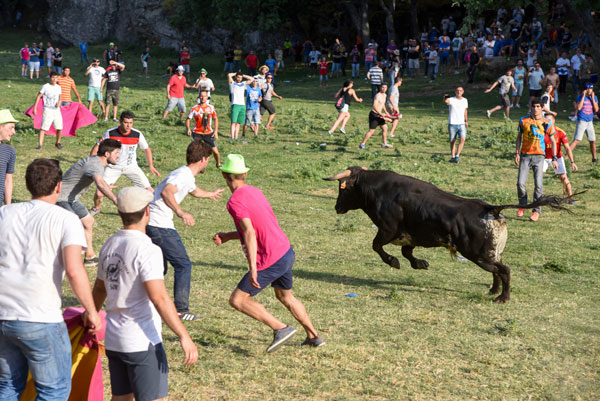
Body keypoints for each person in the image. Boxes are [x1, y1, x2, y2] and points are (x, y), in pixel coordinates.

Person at [0, 158, 102, 401]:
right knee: (53, 391)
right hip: (40, 317)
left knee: (7, 388)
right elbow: (75, 270)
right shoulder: (66, 219)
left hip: (3, 315)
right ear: (59, 186)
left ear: (28, 185)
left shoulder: (4, 213)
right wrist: (91, 310)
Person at [90, 186, 198, 401]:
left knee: (121, 398)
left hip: (114, 340)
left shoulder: (109, 244)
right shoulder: (148, 249)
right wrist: (184, 335)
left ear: (120, 213)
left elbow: (100, 288)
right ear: (147, 211)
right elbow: (158, 297)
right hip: (142, 341)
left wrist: (90, 315)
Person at [213, 154, 324, 352]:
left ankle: (281, 328)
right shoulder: (255, 191)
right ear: (245, 174)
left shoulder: (234, 202)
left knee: (238, 300)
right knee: (285, 296)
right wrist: (229, 236)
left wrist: (254, 268)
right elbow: (259, 226)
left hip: (269, 258)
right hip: (285, 251)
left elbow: (250, 231)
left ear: (224, 175)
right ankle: (314, 336)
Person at [146, 141, 224, 321]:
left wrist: (210, 194)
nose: (207, 164)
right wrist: (181, 212)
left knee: (159, 268)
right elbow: (167, 192)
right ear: (203, 159)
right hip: (160, 225)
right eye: (208, 160)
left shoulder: (185, 175)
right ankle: (181, 310)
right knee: (183, 264)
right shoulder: (183, 175)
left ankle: (143, 302)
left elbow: (194, 191)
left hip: (152, 223)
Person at [57, 139, 121, 263]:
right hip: (60, 198)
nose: (118, 156)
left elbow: (101, 182)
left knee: (88, 221)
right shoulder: (95, 164)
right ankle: (66, 259)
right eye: (116, 153)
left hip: (71, 199)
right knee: (72, 226)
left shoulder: (96, 163)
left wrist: (106, 186)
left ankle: (89, 256)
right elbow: (100, 184)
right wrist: (115, 199)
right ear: (107, 154)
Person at [90, 110, 160, 215]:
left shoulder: (137, 134)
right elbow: (96, 148)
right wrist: (93, 164)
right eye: (126, 122)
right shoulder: (110, 133)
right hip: (113, 167)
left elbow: (147, 149)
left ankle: (154, 213)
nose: (128, 125)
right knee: (99, 193)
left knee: (150, 191)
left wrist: (151, 165)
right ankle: (96, 208)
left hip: (131, 167)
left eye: (131, 123)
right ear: (120, 122)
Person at [515, 100, 558, 222]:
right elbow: (519, 138)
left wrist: (554, 158)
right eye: (533, 106)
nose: (535, 108)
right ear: (530, 106)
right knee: (520, 183)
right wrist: (517, 153)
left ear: (542, 108)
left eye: (538, 106)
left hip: (539, 156)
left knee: (538, 185)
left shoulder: (547, 122)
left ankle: (536, 210)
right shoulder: (523, 120)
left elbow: (553, 140)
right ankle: (522, 205)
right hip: (525, 155)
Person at [543, 115, 578, 201]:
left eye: (550, 120)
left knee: (564, 178)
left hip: (557, 158)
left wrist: (572, 162)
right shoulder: (540, 131)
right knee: (538, 176)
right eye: (546, 120)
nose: (548, 122)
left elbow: (567, 148)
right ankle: (538, 198)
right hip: (543, 158)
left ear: (554, 121)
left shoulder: (560, 132)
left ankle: (570, 197)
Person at [186, 90, 221, 166]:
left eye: (204, 96)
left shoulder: (211, 108)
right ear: (199, 97)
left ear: (207, 97)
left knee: (216, 152)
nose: (203, 98)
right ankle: (192, 164)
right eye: (201, 96)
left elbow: (216, 119)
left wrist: (215, 132)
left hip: (208, 133)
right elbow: (188, 119)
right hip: (197, 133)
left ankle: (218, 164)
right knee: (194, 151)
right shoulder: (194, 108)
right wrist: (188, 129)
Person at [33, 71, 63, 151]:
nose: (54, 79)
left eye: (56, 77)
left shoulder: (58, 87)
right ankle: (40, 145)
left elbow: (60, 97)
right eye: (53, 77)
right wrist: (35, 107)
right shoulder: (45, 86)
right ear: (50, 78)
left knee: (59, 127)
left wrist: (60, 102)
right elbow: (39, 96)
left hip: (56, 110)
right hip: (48, 109)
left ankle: (58, 142)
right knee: (43, 128)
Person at [570, 83, 598, 162]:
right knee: (577, 140)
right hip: (582, 121)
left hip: (590, 122)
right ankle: (566, 156)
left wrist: (592, 98)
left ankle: (594, 158)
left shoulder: (594, 98)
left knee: (592, 141)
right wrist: (583, 96)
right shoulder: (580, 97)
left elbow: (596, 109)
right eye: (587, 89)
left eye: (591, 89)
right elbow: (579, 108)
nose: (589, 90)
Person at [359, 83, 393, 149]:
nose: (384, 89)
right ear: (380, 87)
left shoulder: (385, 95)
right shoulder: (378, 95)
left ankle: (384, 143)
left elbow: (382, 104)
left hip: (379, 114)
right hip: (374, 115)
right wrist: (380, 113)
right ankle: (362, 144)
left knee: (385, 128)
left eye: (385, 87)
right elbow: (374, 106)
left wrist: (386, 112)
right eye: (383, 87)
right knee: (371, 131)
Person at [444, 87, 469, 163]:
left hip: (461, 123)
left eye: (460, 90)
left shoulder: (465, 100)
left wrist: (466, 120)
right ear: (455, 92)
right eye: (457, 90)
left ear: (463, 92)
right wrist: (445, 96)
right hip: (452, 123)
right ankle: (453, 156)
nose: (459, 92)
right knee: (452, 141)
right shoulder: (452, 99)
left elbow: (465, 110)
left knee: (462, 139)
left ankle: (457, 155)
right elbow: (446, 101)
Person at [228, 71, 253, 141]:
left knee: (238, 123)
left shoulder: (243, 84)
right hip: (235, 104)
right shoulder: (232, 83)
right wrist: (236, 73)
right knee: (233, 122)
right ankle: (232, 137)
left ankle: (236, 137)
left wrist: (243, 75)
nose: (239, 79)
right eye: (238, 77)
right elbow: (229, 75)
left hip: (242, 105)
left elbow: (252, 79)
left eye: (241, 78)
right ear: (236, 77)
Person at [0, 110, 17, 206]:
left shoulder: (9, 151)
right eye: (11, 128)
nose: (13, 132)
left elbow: (8, 180)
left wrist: (8, 206)